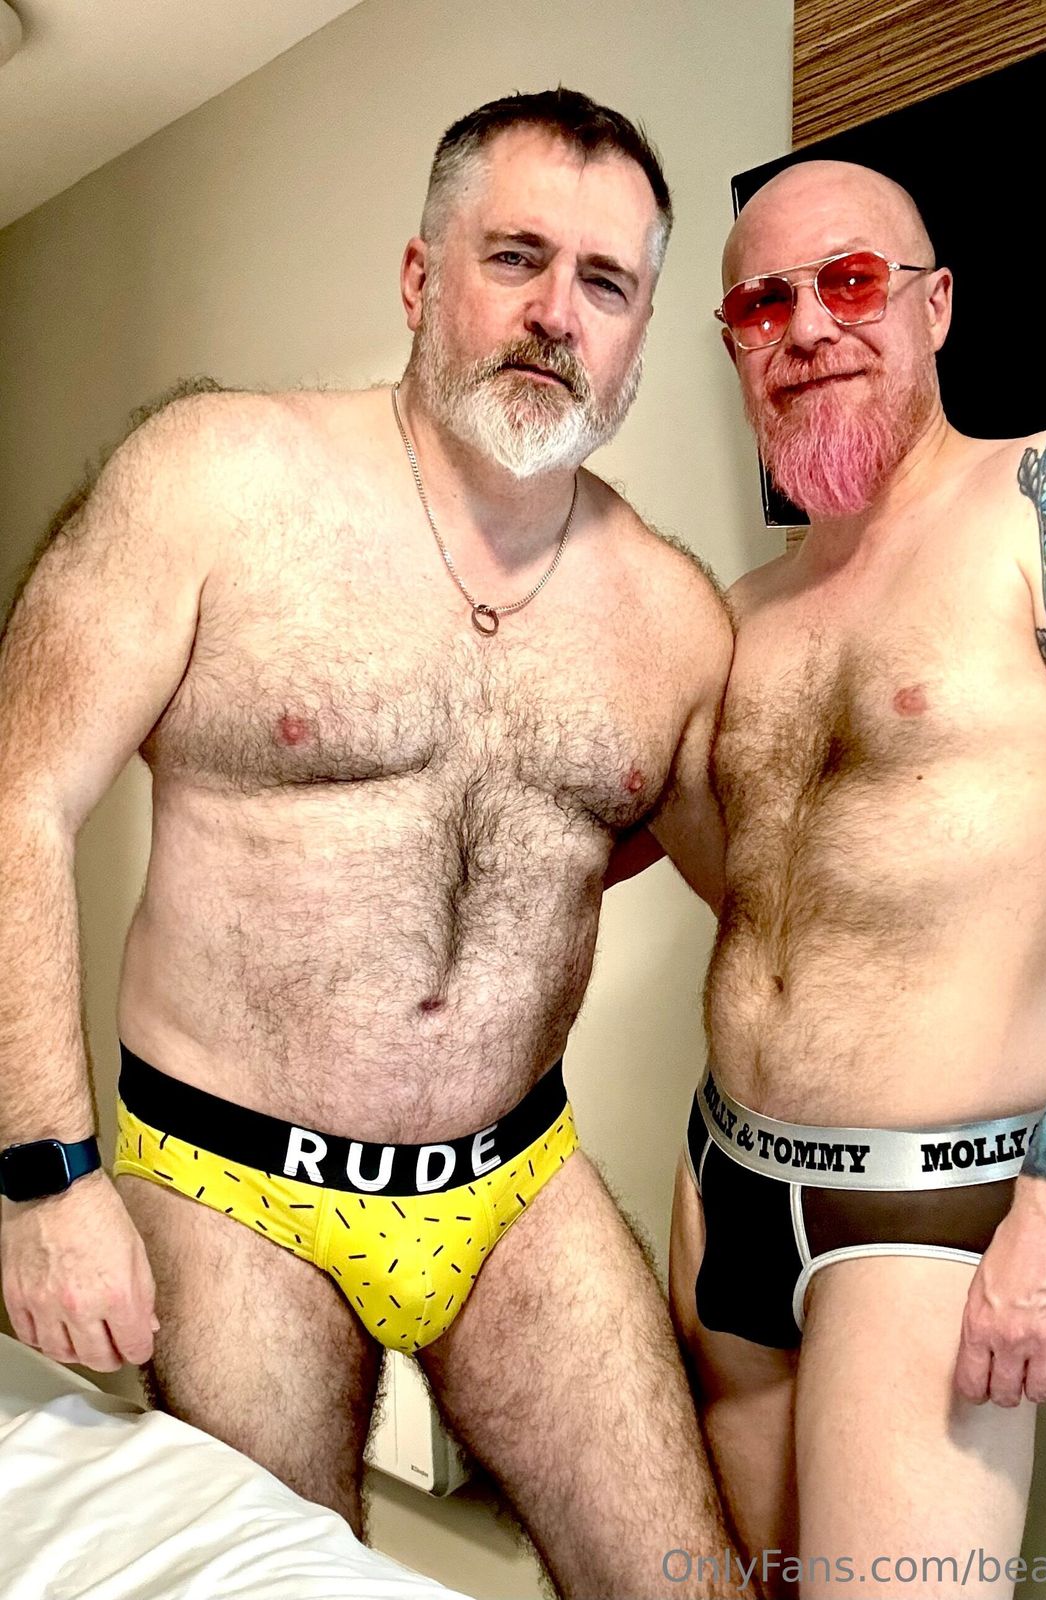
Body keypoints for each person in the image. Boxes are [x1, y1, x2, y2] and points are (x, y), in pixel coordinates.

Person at [0, 88, 743, 1598]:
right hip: (229, 1189)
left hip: (515, 1186)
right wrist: (45, 1180)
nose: (556, 313)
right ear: (419, 276)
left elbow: (731, 883)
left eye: (605, 283)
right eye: (516, 257)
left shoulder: (673, 619)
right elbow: (18, 798)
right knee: (283, 1586)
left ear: (640, 334)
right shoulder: (215, 480)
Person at [669, 158, 1046, 1598]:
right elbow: (744, 880)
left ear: (938, 304)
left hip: (931, 1217)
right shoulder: (745, 609)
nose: (806, 327)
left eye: (851, 282)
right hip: (725, 1189)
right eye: (761, 303)